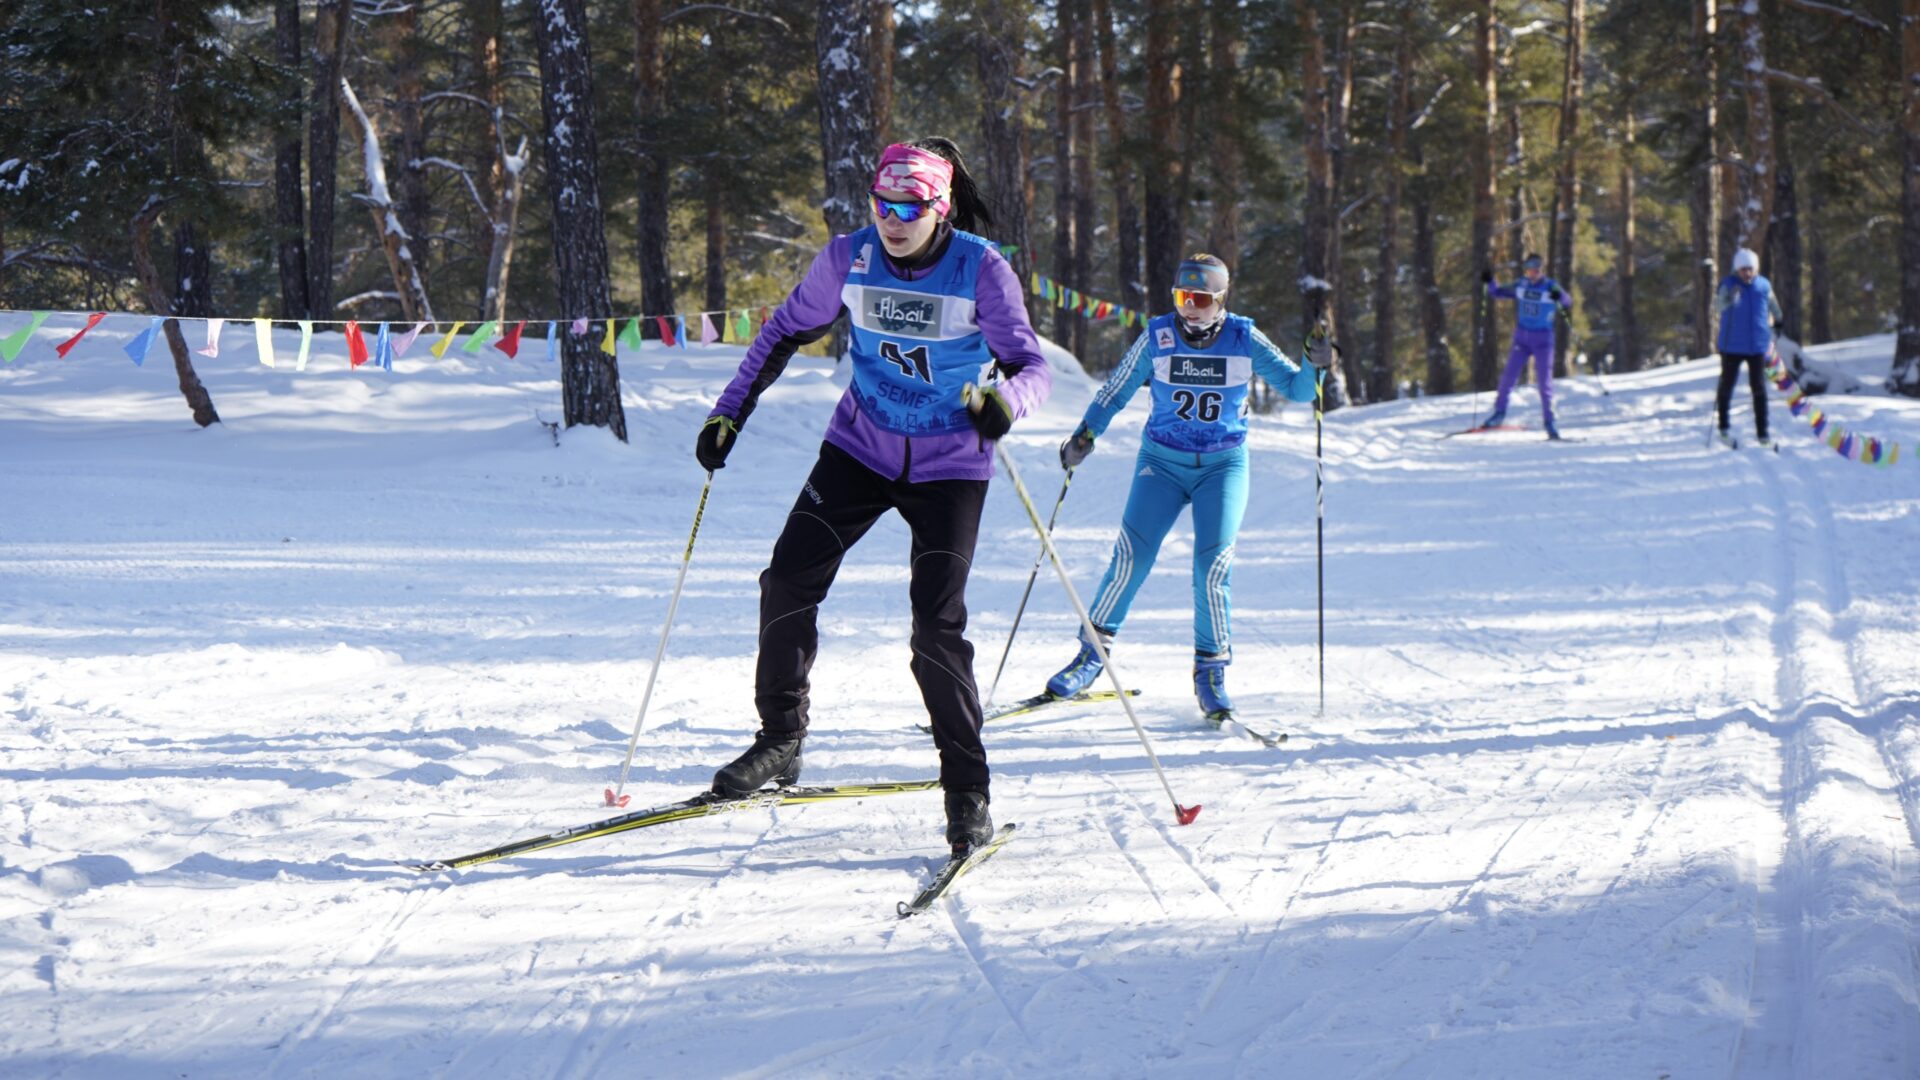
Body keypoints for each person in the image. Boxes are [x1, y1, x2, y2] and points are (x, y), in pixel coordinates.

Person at [694, 138, 1051, 856]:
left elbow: (1032, 365)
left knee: (935, 628)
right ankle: (780, 740)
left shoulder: (980, 266)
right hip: (862, 446)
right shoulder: (848, 258)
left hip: (951, 462)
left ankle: (967, 789)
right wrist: (730, 409)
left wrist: (1006, 403)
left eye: (910, 207)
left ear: (939, 208)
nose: (893, 220)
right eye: (883, 205)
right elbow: (783, 332)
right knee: (787, 579)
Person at [1041, 254, 1330, 720]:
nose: (1189, 308)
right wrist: (1084, 435)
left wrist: (1315, 363)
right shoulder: (1158, 336)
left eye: (1199, 299)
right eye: (1181, 297)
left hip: (1222, 466)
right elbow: (1114, 390)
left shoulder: (1243, 336)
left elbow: (1299, 391)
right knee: (1131, 556)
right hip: (1162, 462)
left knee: (1212, 567)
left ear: (1220, 300)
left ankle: (1210, 671)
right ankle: (1090, 656)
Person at [1479, 254, 1573, 439]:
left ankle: (1549, 421)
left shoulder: (1550, 285)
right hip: (1522, 338)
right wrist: (1489, 281)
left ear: (1542, 269)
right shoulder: (1521, 285)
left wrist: (1559, 295)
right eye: (1529, 268)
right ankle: (1499, 413)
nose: (1533, 272)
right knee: (1508, 378)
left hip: (1543, 339)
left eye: (1537, 268)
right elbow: (1497, 292)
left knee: (1544, 382)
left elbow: (1567, 301)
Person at [1714, 247, 1783, 448]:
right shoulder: (1728, 285)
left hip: (1757, 346)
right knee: (1727, 386)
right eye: (1743, 269)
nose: (1747, 273)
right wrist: (1729, 299)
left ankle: (1763, 433)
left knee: (1759, 389)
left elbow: (1773, 305)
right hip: (1732, 346)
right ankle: (1723, 427)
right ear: (1737, 269)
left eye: (1750, 269)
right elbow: (1718, 308)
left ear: (1756, 268)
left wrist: (1779, 320)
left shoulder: (1763, 285)